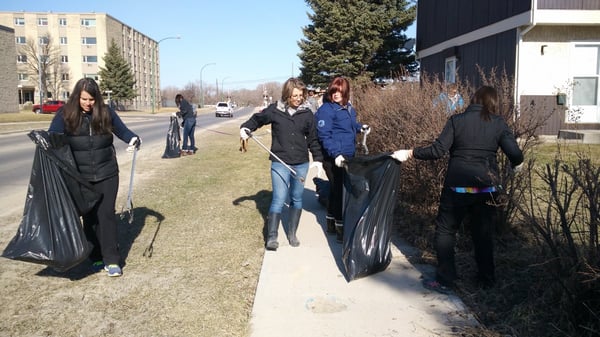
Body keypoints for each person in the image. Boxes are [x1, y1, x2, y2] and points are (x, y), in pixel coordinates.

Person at [391, 85, 523, 293]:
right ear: (493, 103)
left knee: (446, 231)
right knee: (483, 234)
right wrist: (517, 165)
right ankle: (486, 280)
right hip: (485, 189)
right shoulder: (498, 124)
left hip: (458, 188)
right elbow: (515, 154)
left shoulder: (457, 121)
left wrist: (410, 153)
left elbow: (437, 150)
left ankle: (445, 279)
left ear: (473, 99)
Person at [48, 77, 141, 277]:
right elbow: (53, 136)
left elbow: (122, 131)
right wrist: (45, 142)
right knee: (89, 217)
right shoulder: (65, 114)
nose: (88, 103)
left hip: (107, 172)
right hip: (80, 177)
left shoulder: (106, 112)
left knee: (106, 215)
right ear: (76, 97)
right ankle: (96, 256)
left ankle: (112, 260)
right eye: (84, 99)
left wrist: (133, 138)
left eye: (91, 99)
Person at [239, 78, 324, 250]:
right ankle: (272, 237)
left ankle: (292, 233)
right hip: (279, 161)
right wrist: (246, 128)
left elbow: (314, 139)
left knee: (296, 198)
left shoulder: (307, 114)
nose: (298, 99)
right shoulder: (275, 110)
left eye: (301, 95)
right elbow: (258, 119)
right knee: (278, 199)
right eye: (294, 95)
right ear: (287, 95)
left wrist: (318, 159)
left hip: (300, 163)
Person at [315, 76, 371, 243]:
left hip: (347, 155)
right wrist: (336, 154)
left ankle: (331, 223)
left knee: (335, 189)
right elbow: (324, 136)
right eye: (333, 91)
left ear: (345, 92)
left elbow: (350, 125)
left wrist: (360, 127)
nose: (336, 94)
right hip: (333, 157)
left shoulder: (348, 109)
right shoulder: (326, 110)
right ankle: (341, 229)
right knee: (340, 191)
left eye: (339, 91)